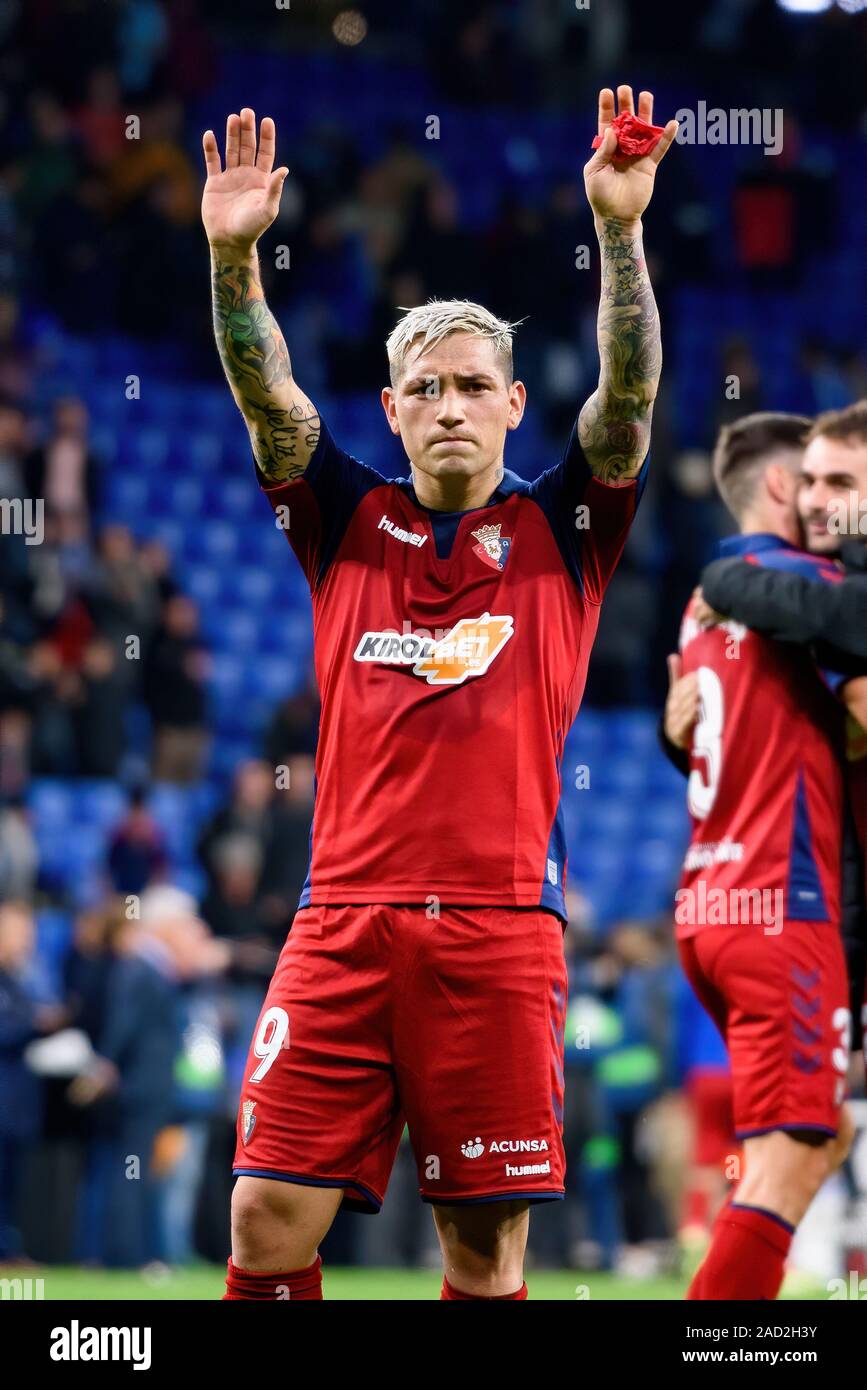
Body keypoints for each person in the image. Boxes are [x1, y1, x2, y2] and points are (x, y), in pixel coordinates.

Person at [202, 91, 678, 1301]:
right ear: (394, 410)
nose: (453, 405)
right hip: (341, 921)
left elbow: (625, 407)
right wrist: (233, 259)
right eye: (428, 388)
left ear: (516, 404)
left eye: (477, 384)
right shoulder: (344, 522)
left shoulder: (566, 528)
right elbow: (270, 400)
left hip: (499, 926)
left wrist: (618, 233)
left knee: (482, 1249)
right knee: (263, 1213)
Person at [665, 412, 867, 1299]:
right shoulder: (810, 594)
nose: (823, 503)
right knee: (789, 1162)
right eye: (814, 483)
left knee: (817, 1143)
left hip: (717, 906)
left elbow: (709, 728)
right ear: (784, 488)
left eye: (843, 487)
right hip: (783, 909)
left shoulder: (706, 604)